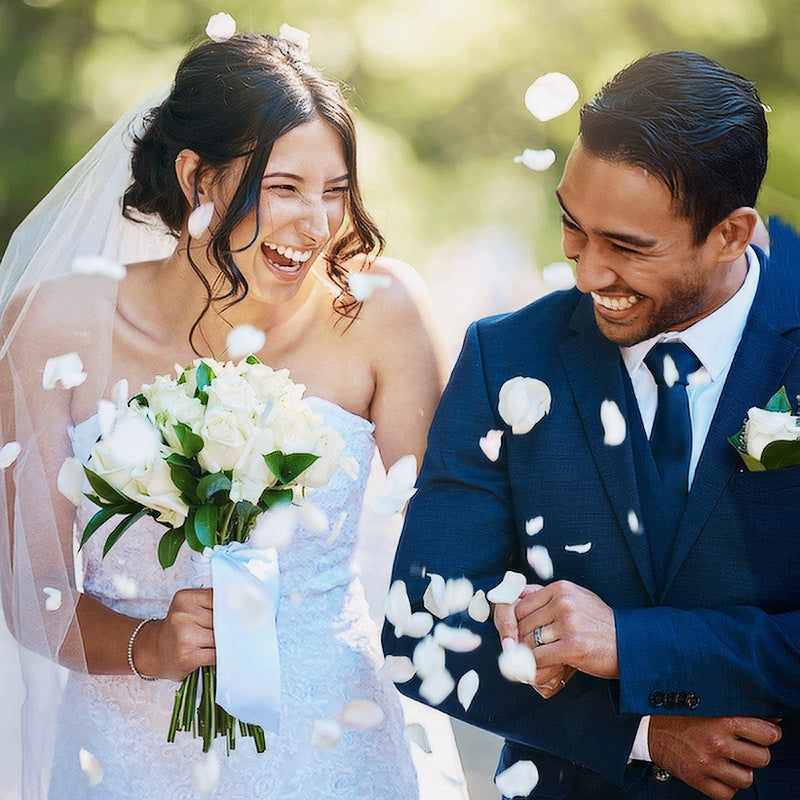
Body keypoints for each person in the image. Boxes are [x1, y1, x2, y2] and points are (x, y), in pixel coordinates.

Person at [0, 28, 468, 800]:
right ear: (196, 176)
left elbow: (455, 533)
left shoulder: (378, 311)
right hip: (123, 760)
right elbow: (34, 590)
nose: (316, 224)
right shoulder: (55, 326)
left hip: (332, 753)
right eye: (284, 188)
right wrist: (148, 644)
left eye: (335, 191)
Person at [384, 50, 800, 800]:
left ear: (732, 234)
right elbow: (420, 626)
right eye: (573, 227)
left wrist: (636, 649)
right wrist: (642, 731)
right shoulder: (505, 355)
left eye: (627, 248)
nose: (586, 273)